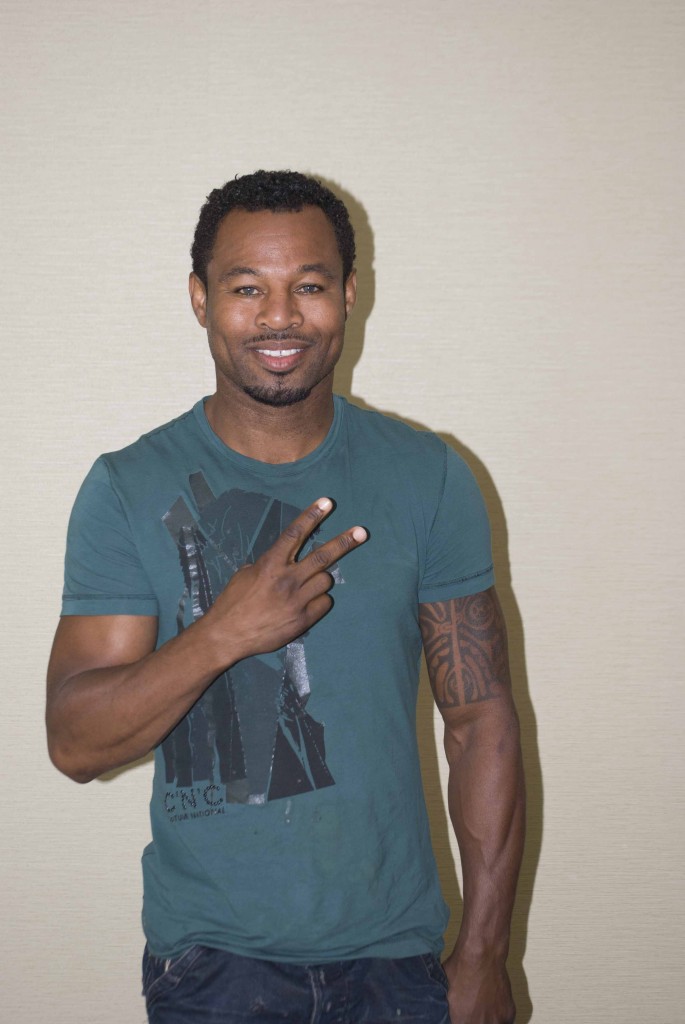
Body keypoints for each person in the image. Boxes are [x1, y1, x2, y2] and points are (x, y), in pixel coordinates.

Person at [47, 170, 525, 1024]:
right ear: (200, 299)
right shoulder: (126, 486)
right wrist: (221, 634)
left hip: (398, 960)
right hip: (212, 967)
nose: (279, 317)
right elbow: (77, 744)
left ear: (347, 295)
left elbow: (480, 720)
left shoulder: (427, 477)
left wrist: (485, 955)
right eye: (245, 288)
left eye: (307, 286)